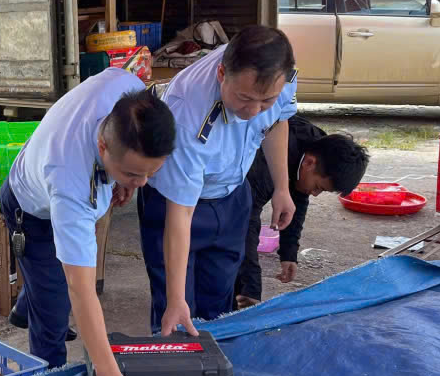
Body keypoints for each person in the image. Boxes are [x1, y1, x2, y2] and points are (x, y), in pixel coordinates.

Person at [1, 70, 177, 376]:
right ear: (102, 147)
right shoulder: (70, 180)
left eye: (149, 174)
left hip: (59, 181)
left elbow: (128, 159)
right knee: (54, 314)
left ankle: (30, 299)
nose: (141, 183)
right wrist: (109, 374)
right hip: (32, 213)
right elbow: (82, 290)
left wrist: (124, 178)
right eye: (132, 173)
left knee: (48, 290)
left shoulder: (129, 96)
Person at [138, 25, 298, 334]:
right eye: (245, 98)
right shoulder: (186, 114)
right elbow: (180, 214)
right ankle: (174, 373)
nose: (253, 111)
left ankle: (213, 374)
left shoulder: (282, 74)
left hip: (233, 195)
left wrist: (282, 187)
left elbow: (277, 122)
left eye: (265, 100)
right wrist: (175, 299)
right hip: (177, 205)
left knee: (219, 306)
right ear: (222, 73)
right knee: (177, 311)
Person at [234, 117, 369, 308]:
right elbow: (245, 223)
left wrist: (289, 253)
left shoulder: (316, 148)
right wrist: (250, 287)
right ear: (309, 163)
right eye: (318, 187)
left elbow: (298, 198)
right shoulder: (264, 167)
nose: (314, 194)